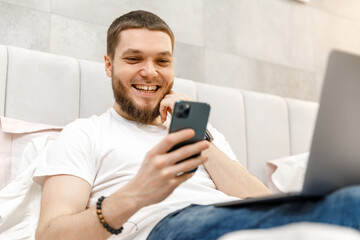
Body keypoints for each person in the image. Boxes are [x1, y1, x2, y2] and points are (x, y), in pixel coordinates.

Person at [34, 10, 360, 240]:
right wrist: (136, 194)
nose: (150, 72)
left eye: (162, 60)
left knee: (348, 198)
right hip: (165, 227)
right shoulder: (85, 133)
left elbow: (257, 197)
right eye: (134, 59)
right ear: (108, 65)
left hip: (228, 217)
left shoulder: (206, 135)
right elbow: (49, 235)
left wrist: (193, 132)